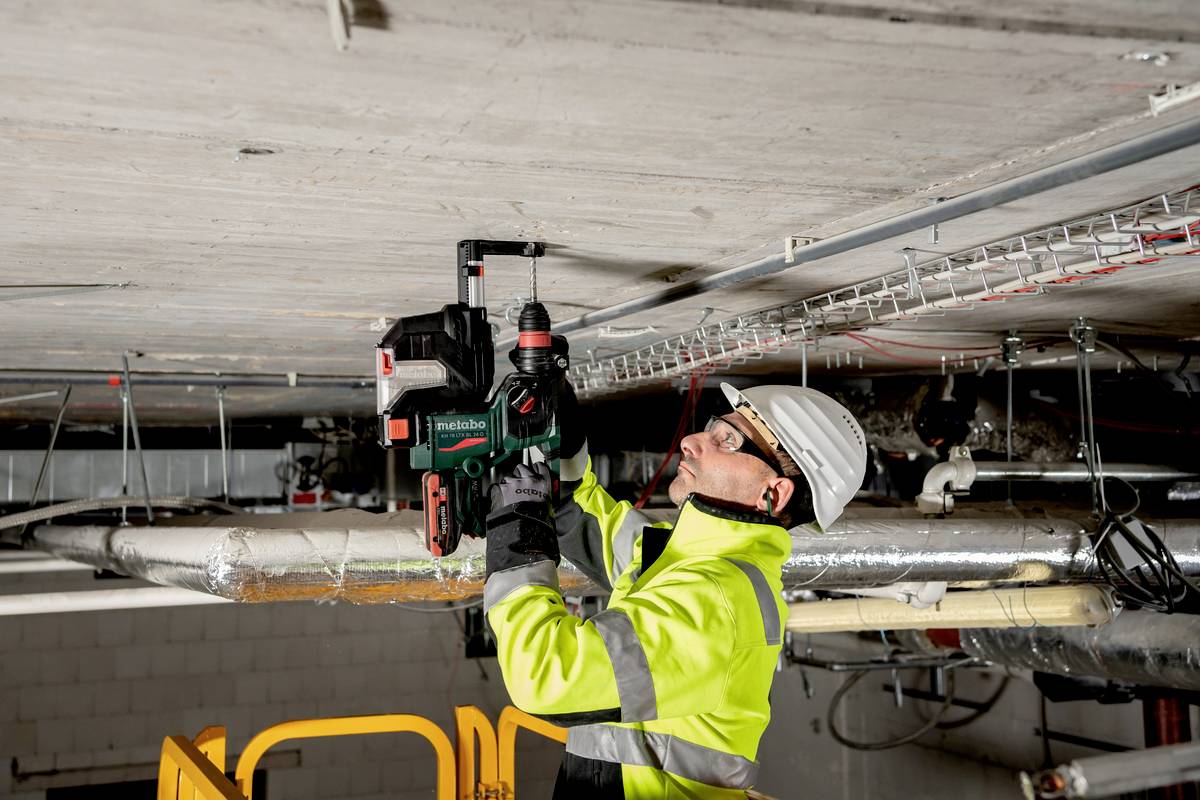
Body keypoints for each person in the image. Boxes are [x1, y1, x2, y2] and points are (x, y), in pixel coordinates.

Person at [482, 382, 867, 799]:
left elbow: (547, 678)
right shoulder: (683, 558)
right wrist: (566, 442)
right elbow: (580, 516)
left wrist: (517, 542)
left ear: (771, 493)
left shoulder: (717, 603)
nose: (690, 442)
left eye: (728, 441)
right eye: (712, 427)